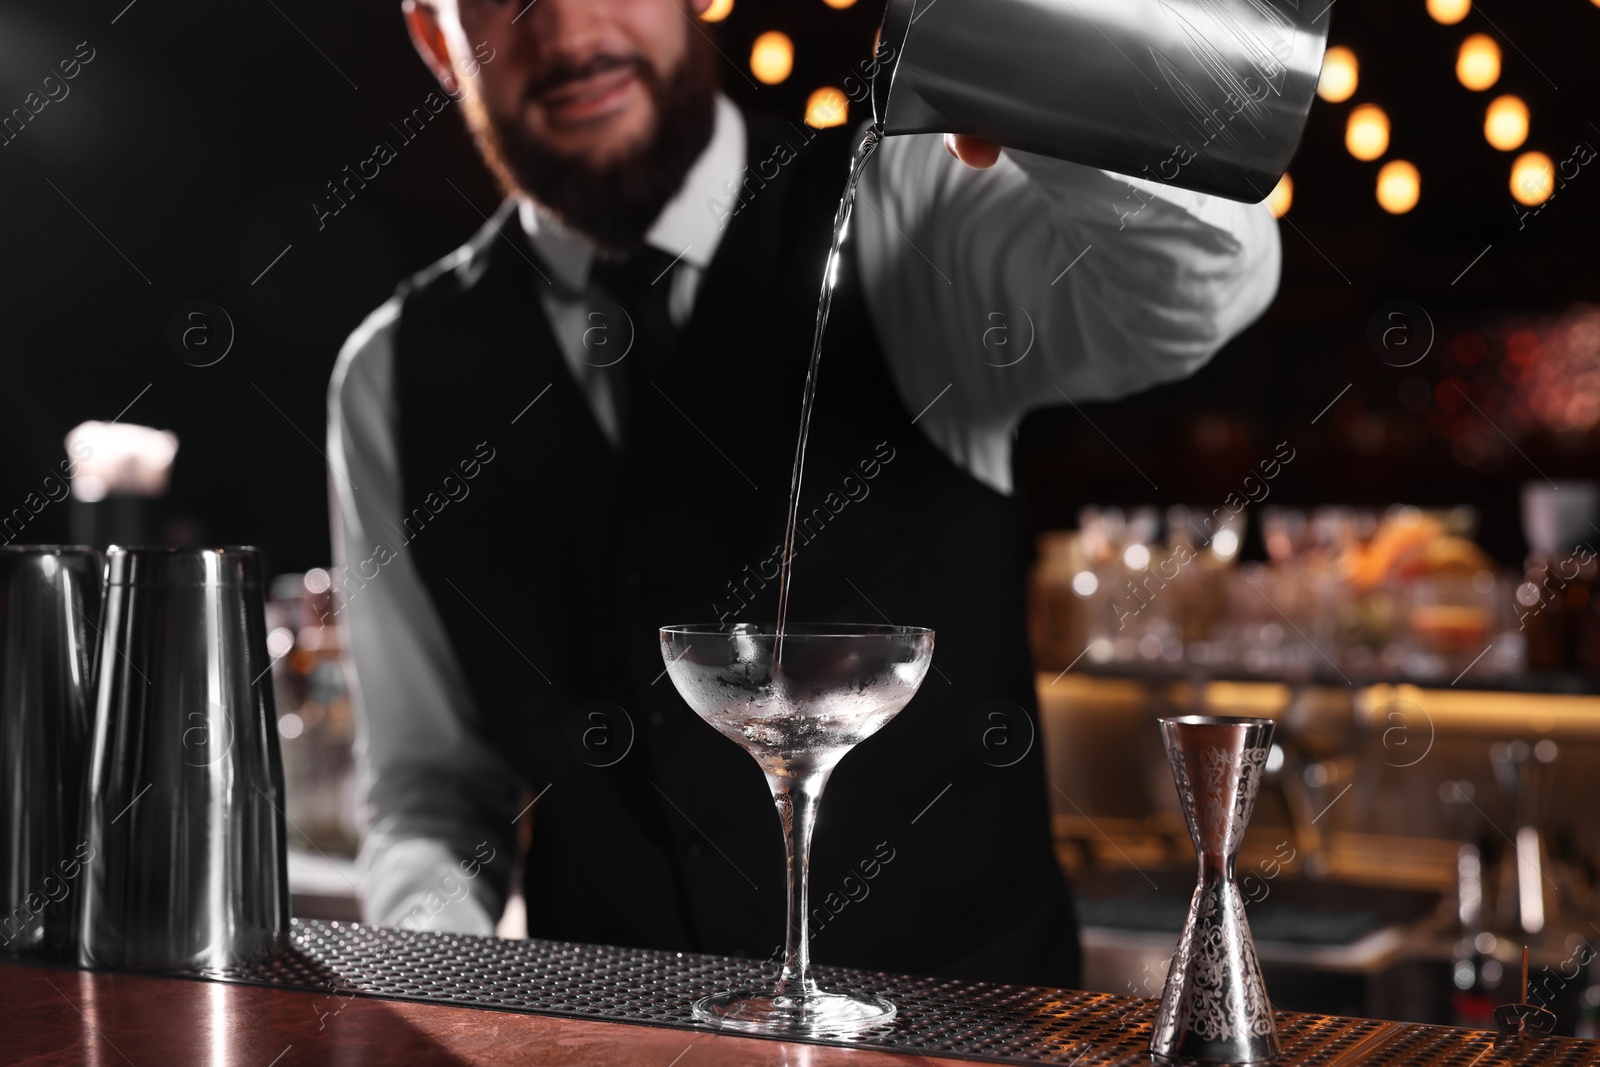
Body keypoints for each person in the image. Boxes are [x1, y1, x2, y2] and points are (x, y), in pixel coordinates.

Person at [327, 0, 1280, 987]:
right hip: (612, 1039)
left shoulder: (910, 206)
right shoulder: (392, 374)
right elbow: (431, 793)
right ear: (439, 40)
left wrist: (1043, 72)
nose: (569, 33)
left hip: (968, 1036)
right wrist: (441, 993)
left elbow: (1200, 287)